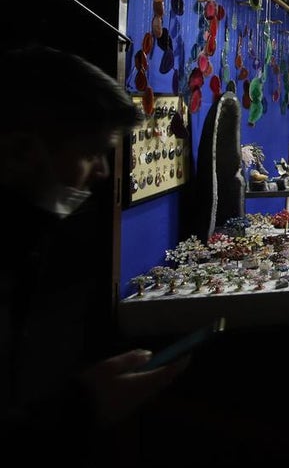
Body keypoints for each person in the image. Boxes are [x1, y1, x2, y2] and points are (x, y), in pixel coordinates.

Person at [0, 45, 190, 461]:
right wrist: (82, 408)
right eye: (91, 153)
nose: (103, 171)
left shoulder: (23, 245)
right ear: (20, 152)